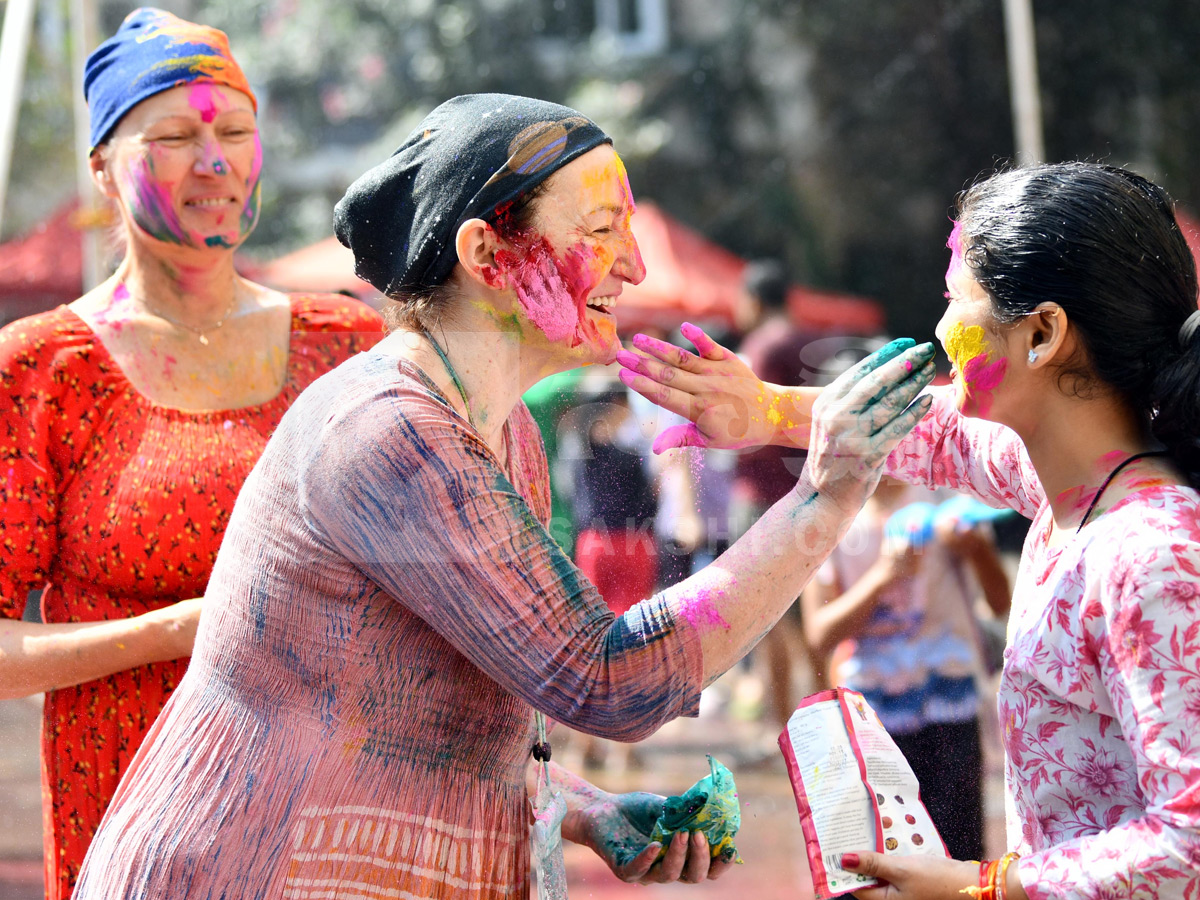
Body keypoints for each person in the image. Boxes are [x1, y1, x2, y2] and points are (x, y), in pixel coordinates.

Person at [72, 93, 934, 898]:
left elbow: (441, 705)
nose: (634, 265)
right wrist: (825, 497)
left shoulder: (503, 428)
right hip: (242, 868)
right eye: (601, 230)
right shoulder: (389, 434)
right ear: (485, 253)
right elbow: (606, 677)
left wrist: (585, 808)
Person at [616, 161, 1200, 898]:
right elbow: (944, 435)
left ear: (1044, 333)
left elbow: (1189, 846)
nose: (940, 329)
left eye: (956, 300)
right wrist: (766, 409)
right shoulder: (1075, 491)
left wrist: (978, 885)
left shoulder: (1149, 554)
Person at [0, 9, 385, 897]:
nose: (215, 160)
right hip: (134, 835)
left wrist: (565, 797)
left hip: (336, 828)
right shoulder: (42, 369)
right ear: (102, 167)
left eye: (236, 132)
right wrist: (177, 631)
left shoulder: (349, 346)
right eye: (174, 137)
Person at [802, 480, 1011, 862]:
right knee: (882, 855)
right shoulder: (832, 516)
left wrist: (975, 549)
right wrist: (884, 576)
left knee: (959, 858)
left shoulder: (946, 497)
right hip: (873, 716)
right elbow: (819, 634)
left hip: (950, 705)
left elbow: (1001, 602)